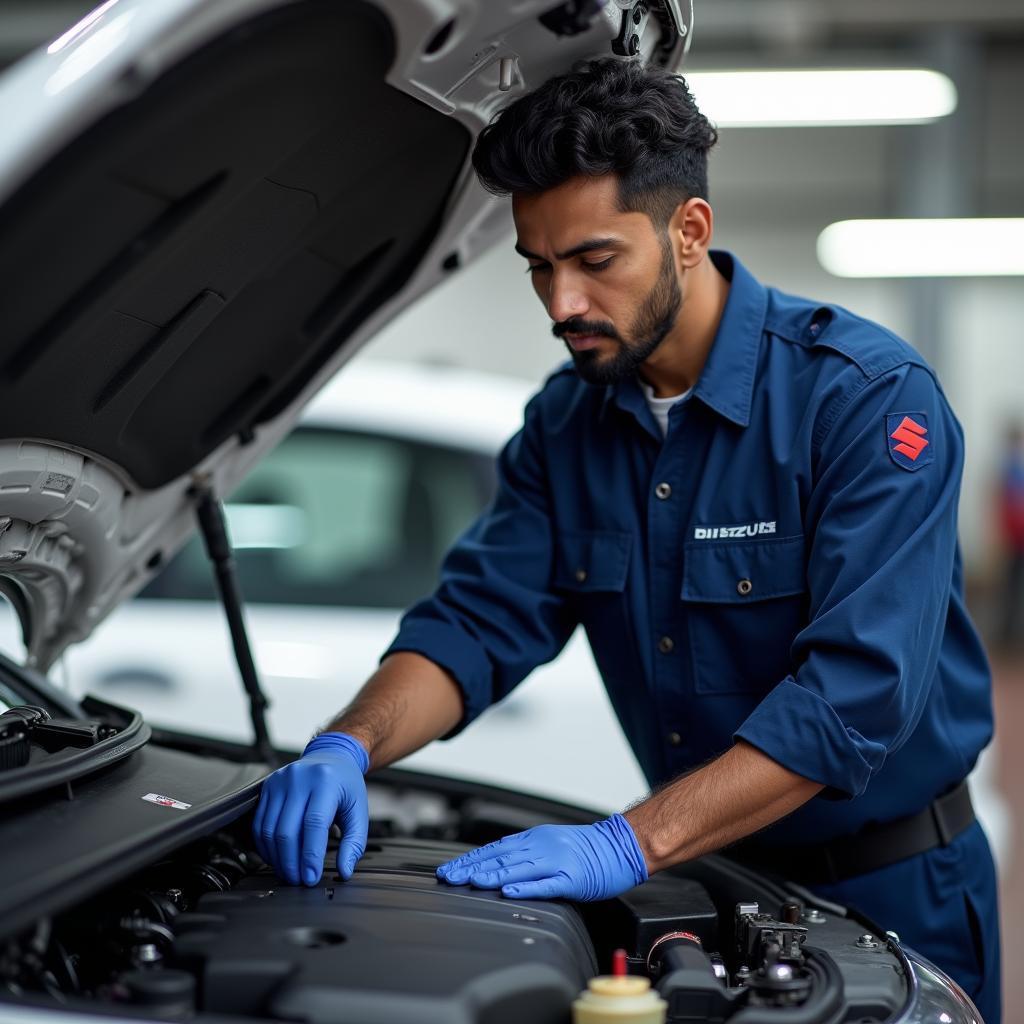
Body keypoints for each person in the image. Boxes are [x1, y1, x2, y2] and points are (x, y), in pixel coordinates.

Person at [252, 58, 1000, 1021]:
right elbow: (476, 624)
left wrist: (625, 846)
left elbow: (851, 700)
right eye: (538, 265)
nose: (562, 303)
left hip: (896, 895)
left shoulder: (862, 401)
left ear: (688, 232)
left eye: (596, 260)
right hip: (713, 877)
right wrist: (346, 747)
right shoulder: (568, 425)